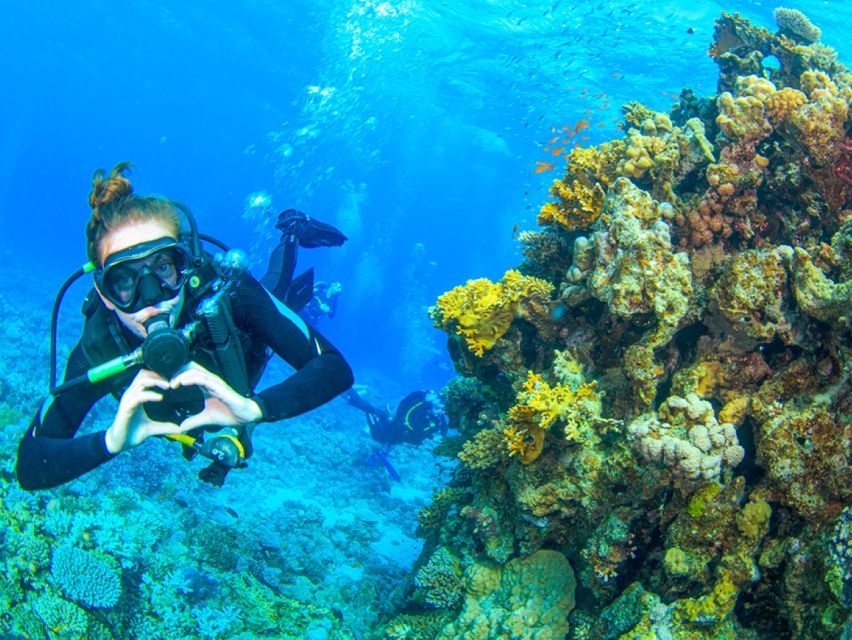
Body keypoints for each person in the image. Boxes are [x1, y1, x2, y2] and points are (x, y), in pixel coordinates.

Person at [16, 162, 353, 489]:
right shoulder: (100, 345)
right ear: (104, 296)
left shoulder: (229, 293)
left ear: (187, 266)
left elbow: (334, 367)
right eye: (124, 280)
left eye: (163, 267)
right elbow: (30, 466)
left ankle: (292, 232)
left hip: (245, 340)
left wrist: (255, 408)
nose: (150, 297)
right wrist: (109, 442)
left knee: (276, 288)